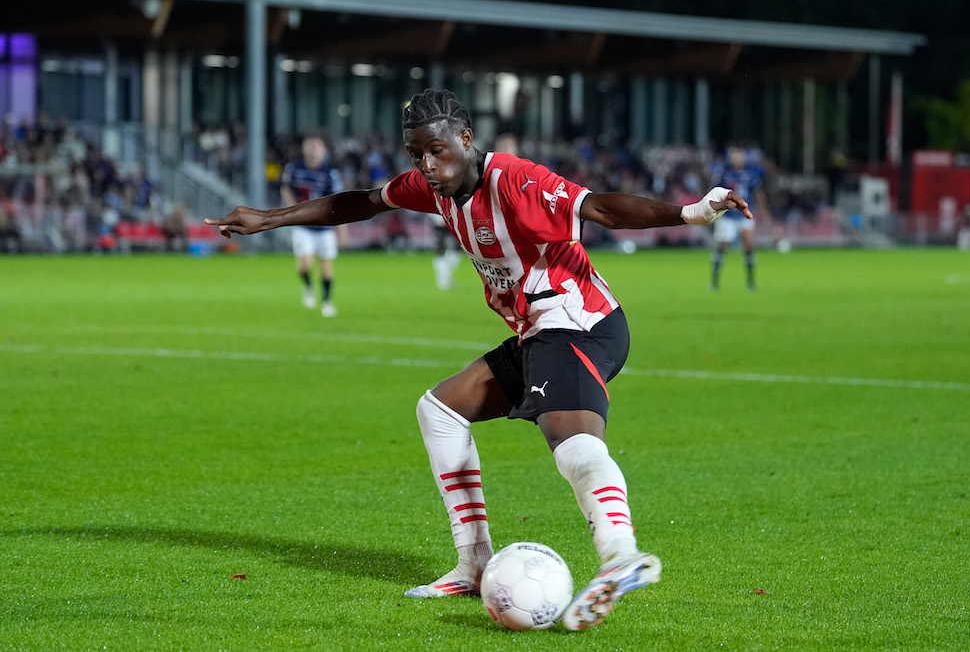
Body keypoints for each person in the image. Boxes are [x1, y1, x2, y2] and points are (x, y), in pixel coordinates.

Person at [207, 88, 751, 631]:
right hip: (538, 331)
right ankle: (474, 564)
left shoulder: (515, 179)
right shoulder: (432, 184)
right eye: (416, 154)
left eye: (437, 151)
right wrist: (270, 218)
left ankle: (620, 554)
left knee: (570, 441)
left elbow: (603, 208)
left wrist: (694, 211)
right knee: (440, 410)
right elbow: (360, 202)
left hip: (578, 323)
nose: (427, 165)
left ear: (466, 140)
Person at [280, 135, 344, 317]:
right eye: (310, 146)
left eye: (317, 146)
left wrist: (341, 228)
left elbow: (337, 201)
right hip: (303, 225)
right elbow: (285, 188)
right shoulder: (294, 168)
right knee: (305, 263)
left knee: (325, 264)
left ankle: (326, 301)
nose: (313, 150)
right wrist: (294, 210)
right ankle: (308, 286)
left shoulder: (330, 173)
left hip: (324, 227)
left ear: (323, 150)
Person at [708, 145, 768, 292]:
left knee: (748, 246)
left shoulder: (750, 174)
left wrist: (764, 212)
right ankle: (714, 281)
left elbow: (757, 193)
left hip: (744, 215)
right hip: (727, 215)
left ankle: (750, 282)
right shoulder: (723, 174)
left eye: (739, 155)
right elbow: (714, 193)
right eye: (734, 155)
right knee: (723, 245)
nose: (737, 158)